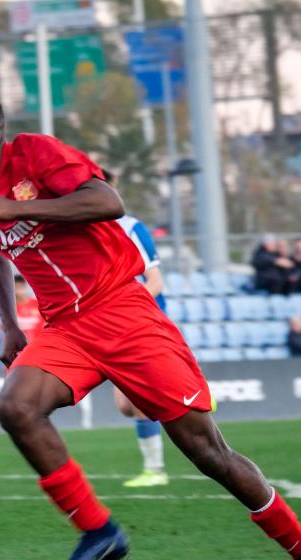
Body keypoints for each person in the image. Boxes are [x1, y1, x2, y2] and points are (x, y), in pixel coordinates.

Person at [0, 84, 301, 560]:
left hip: (124, 313)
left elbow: (107, 202)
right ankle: (98, 532)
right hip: (65, 328)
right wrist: (10, 325)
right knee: (15, 407)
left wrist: (17, 209)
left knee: (208, 453)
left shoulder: (37, 153)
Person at [107, 170, 168, 488]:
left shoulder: (130, 227)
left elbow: (155, 282)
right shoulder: (85, 231)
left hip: (142, 322)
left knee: (139, 400)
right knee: (125, 406)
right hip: (113, 326)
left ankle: (155, 470)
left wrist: (124, 307)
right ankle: (184, 394)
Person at [14, 275, 43, 342]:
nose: (19, 291)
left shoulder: (37, 304)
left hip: (39, 343)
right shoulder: (11, 309)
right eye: (17, 288)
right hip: (21, 346)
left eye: (21, 287)